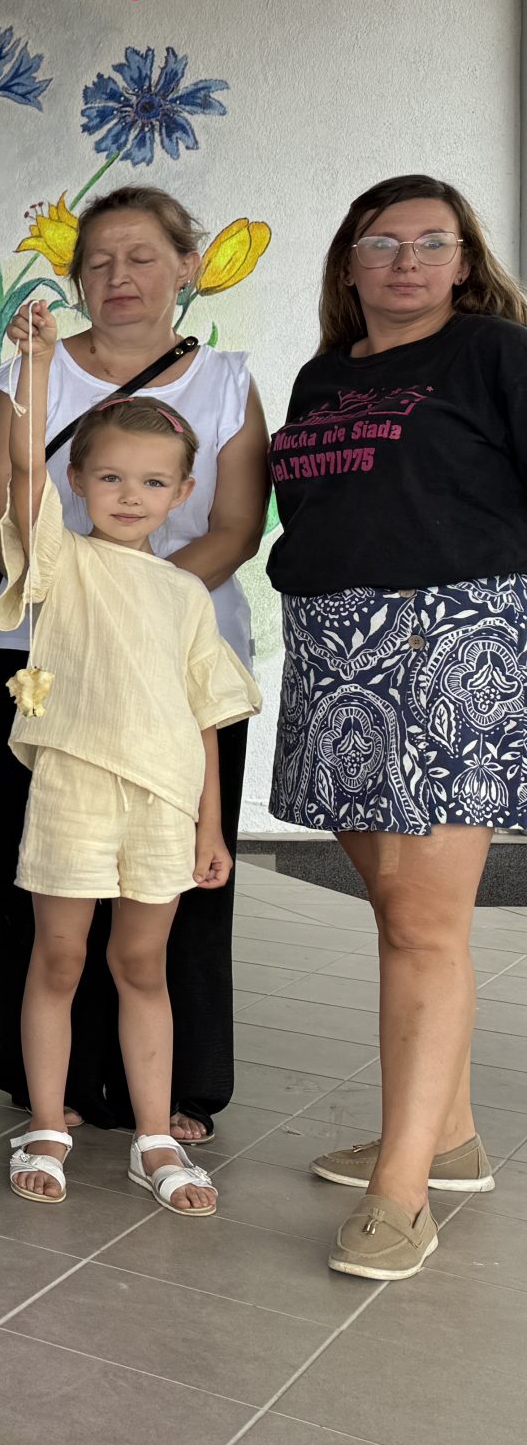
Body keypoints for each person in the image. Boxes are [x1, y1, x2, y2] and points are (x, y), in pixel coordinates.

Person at [265, 174, 527, 1281]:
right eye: (383, 243)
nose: (407, 262)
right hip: (336, 649)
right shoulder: (324, 374)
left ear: (464, 261)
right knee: (402, 913)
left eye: (433, 242)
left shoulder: (495, 353)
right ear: (349, 262)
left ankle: (402, 1190)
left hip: (450, 641)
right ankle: (447, 1136)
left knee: (424, 925)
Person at [0, 188, 268, 1143]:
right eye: (98, 260)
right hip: (48, 659)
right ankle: (46, 1089)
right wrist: (90, 605)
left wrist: (140, 607)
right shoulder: (31, 372)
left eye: (142, 257)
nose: (120, 276)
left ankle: (174, 1092)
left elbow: (237, 525)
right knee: (49, 877)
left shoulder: (226, 380)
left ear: (187, 266)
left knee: (174, 885)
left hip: (179, 659)